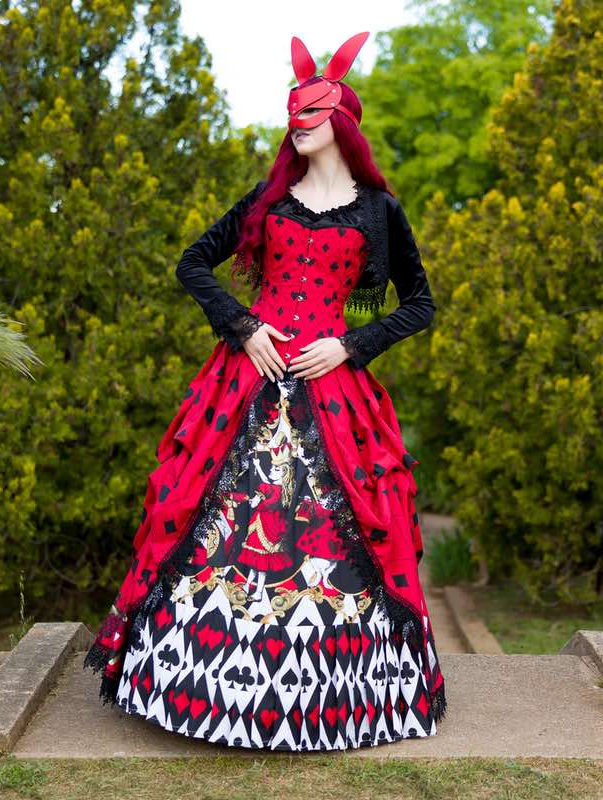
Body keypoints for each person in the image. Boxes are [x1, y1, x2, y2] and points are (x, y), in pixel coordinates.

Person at [84, 31, 445, 752]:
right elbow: (194, 263)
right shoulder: (268, 199)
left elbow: (421, 303)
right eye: (292, 114)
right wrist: (243, 326)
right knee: (210, 510)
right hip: (245, 380)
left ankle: (333, 698)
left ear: (340, 118)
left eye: (310, 114)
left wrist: (350, 343)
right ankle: (204, 691)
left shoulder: (380, 209)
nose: (297, 124)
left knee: (335, 527)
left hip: (331, 385)